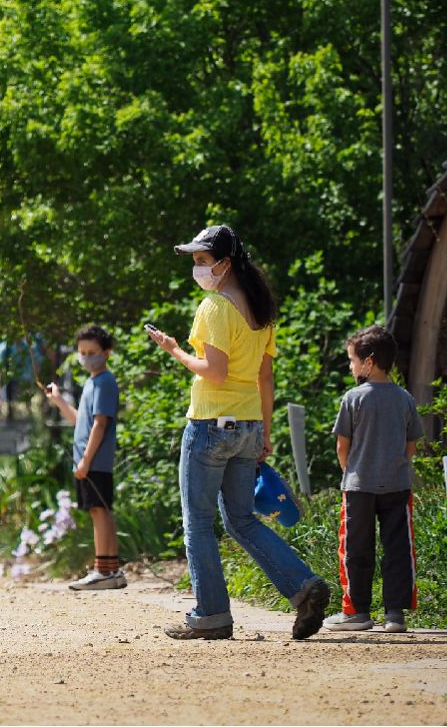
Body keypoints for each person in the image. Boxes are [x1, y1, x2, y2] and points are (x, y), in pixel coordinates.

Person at [146, 225, 331, 640]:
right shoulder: (261, 310)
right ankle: (303, 587)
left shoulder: (214, 307)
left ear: (224, 264)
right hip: (248, 426)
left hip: (210, 425)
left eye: (202, 261)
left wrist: (174, 350)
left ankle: (211, 615)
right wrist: (264, 431)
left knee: (197, 522)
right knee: (243, 520)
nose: (197, 268)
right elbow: (265, 376)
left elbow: (214, 372)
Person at [323, 325, 424, 634]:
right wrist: (398, 465)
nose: (351, 367)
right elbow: (412, 443)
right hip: (397, 484)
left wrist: (349, 470)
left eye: (353, 360)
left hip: (358, 486)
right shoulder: (404, 398)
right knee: (397, 548)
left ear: (368, 361)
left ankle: (357, 611)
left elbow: (342, 445)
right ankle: (395, 614)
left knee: (355, 548)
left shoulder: (353, 398)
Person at [45, 325, 125, 590]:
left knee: (98, 511)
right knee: (99, 511)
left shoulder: (105, 381)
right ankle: (111, 570)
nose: (87, 357)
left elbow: (99, 425)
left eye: (92, 352)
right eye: (82, 352)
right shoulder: (92, 382)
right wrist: (59, 401)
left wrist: (86, 460)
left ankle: (103, 570)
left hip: (95, 461)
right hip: (89, 461)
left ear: (106, 353)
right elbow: (81, 420)